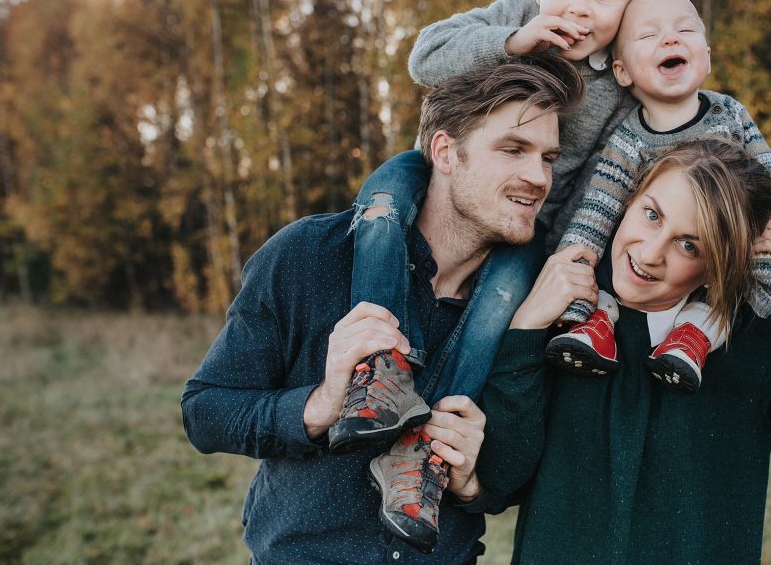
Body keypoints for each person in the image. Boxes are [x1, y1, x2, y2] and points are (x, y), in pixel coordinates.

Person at [181, 55, 584, 563]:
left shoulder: (537, 305)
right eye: (513, 149)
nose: (538, 176)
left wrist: (472, 479)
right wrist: (320, 405)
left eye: (548, 157)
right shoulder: (311, 254)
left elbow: (514, 485)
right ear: (445, 151)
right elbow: (205, 411)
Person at [332, 0, 654, 497]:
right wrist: (514, 38)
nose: (579, 10)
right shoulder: (515, 15)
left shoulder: (622, 72)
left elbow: (623, 165)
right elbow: (425, 57)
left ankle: (419, 449)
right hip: (434, 174)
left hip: (532, 224)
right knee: (378, 214)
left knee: (500, 300)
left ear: (630, 3)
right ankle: (378, 369)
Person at [476, 139, 771, 564]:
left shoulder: (752, 344)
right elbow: (499, 480)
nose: (649, 254)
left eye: (690, 245)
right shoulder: (564, 318)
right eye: (651, 215)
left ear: (718, 263)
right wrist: (526, 330)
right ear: (627, 200)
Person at [547, 0, 771, 392]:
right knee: (606, 269)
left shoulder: (730, 114)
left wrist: (768, 271)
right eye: (649, 35)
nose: (671, 39)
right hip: (641, 270)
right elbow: (595, 214)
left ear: (707, 58)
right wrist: (571, 285)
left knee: (718, 304)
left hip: (714, 263)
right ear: (622, 71)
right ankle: (595, 329)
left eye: (685, 31)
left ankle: (690, 342)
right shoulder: (628, 141)